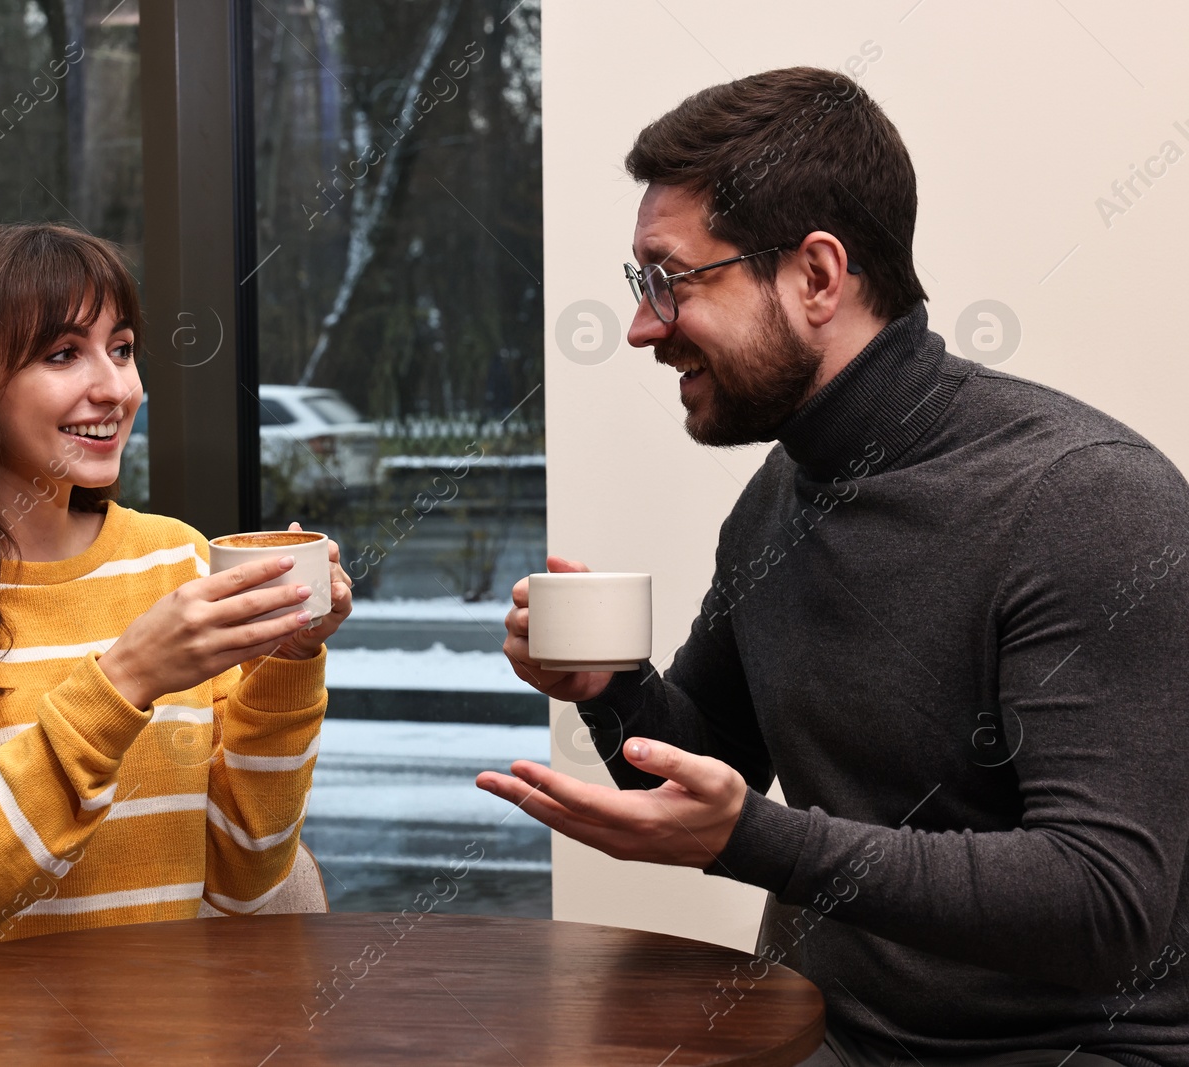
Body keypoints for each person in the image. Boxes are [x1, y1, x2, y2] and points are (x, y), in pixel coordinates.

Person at [479, 67, 1189, 1065]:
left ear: (816, 276)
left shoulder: (1087, 501)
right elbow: (704, 768)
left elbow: (1105, 903)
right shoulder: (781, 493)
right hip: (819, 1030)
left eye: (667, 280)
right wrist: (611, 683)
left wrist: (752, 838)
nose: (641, 326)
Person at [0, 223, 352, 1003]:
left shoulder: (173, 557)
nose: (117, 388)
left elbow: (242, 883)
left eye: (121, 348)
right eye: (62, 355)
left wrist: (288, 662)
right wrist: (126, 679)